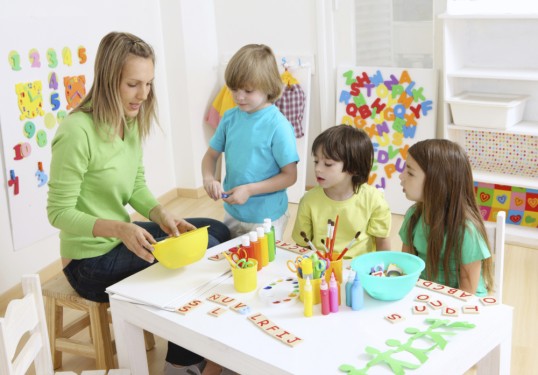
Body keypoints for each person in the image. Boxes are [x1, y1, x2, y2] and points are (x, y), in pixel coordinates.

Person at [47, 31, 232, 375]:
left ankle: (214, 338)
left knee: (217, 229)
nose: (143, 95)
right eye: (133, 84)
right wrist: (120, 227)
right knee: (189, 265)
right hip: (88, 261)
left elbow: (135, 185)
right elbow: (58, 213)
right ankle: (183, 365)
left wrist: (161, 213)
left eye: (148, 84)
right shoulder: (76, 132)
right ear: (108, 79)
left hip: (119, 238)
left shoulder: (126, 121)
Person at [201, 44, 299, 240]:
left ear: (268, 86)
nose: (239, 96)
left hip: (266, 218)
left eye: (248, 90)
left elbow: (290, 176)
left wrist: (250, 190)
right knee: (235, 263)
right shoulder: (229, 118)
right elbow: (211, 156)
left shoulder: (278, 126)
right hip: (233, 211)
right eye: (234, 89)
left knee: (263, 265)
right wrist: (209, 179)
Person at [398, 139, 494, 296]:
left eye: (410, 172)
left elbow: (466, 293)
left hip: (460, 303)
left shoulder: (466, 231)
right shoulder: (413, 216)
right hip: (424, 295)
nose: (401, 177)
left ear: (437, 182)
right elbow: (406, 269)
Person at [292, 125, 391, 258]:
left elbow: (382, 241)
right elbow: (302, 245)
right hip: (321, 267)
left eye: (328, 164)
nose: (318, 169)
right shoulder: (308, 200)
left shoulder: (374, 199)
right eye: (316, 161)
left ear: (353, 168)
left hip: (359, 270)